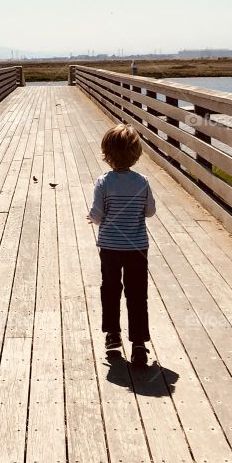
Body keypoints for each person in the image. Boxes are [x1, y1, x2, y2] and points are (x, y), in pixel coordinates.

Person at [88, 123, 156, 367]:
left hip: (110, 248)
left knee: (110, 289)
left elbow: (97, 214)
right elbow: (150, 212)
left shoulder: (103, 182)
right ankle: (139, 343)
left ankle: (113, 335)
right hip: (137, 247)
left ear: (106, 154)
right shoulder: (143, 182)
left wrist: (94, 218)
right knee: (137, 293)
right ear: (136, 153)